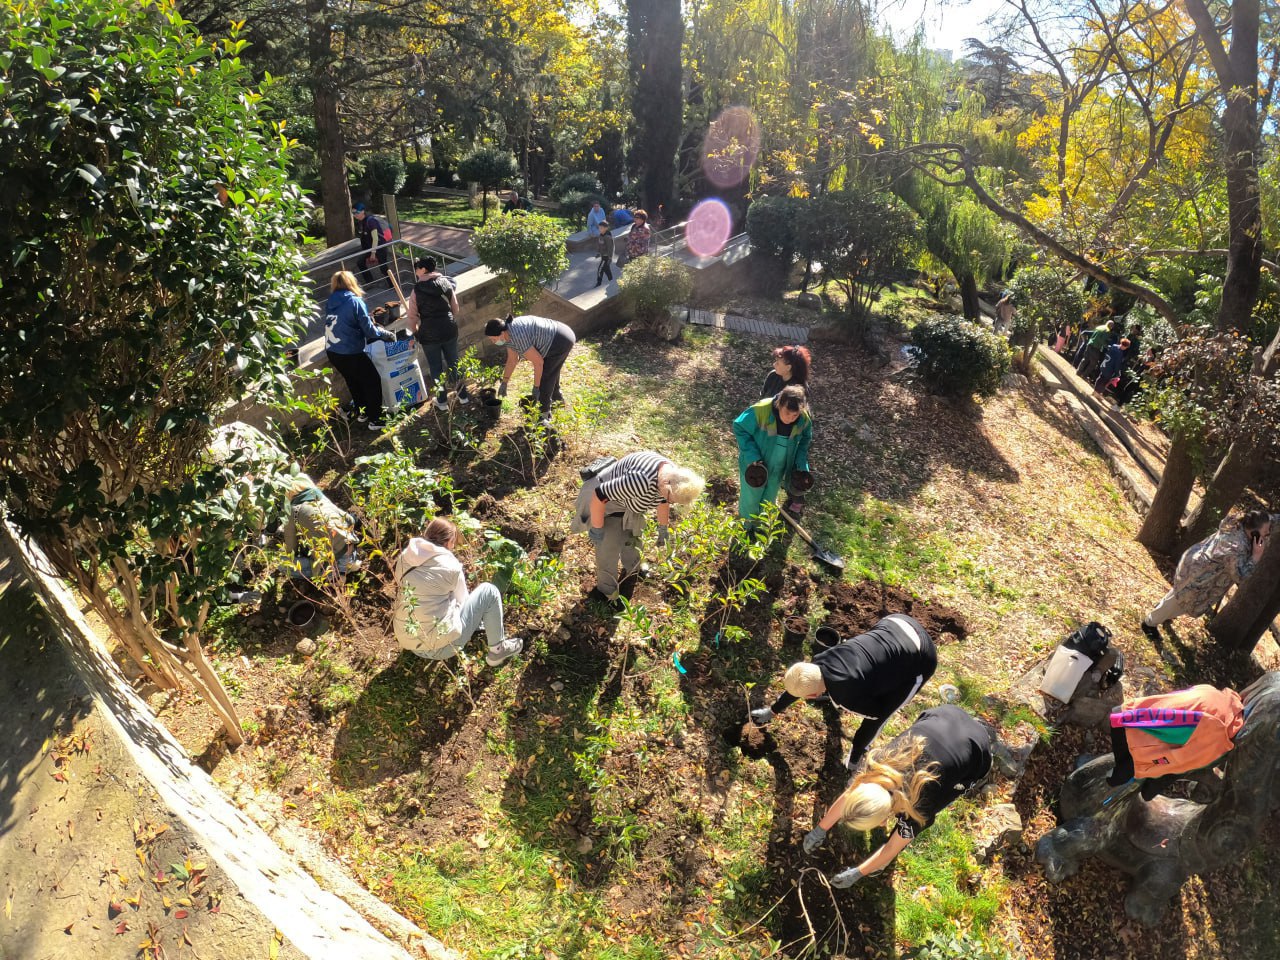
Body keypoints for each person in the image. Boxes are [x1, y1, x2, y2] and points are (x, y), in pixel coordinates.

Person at [801, 705, 993, 888]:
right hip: (943, 715)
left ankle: (882, 862)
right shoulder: (876, 765)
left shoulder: (920, 805)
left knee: (943, 796)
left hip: (976, 749)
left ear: (883, 819)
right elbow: (850, 795)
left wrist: (858, 872)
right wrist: (820, 829)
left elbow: (893, 846)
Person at [750, 614, 938, 768]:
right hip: (895, 622)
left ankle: (855, 759)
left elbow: (876, 716)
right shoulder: (819, 660)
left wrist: (855, 755)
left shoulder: (846, 697)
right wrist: (773, 710)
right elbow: (801, 682)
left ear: (813, 696)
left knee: (886, 708)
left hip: (922, 655)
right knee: (876, 673)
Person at [392, 518, 524, 665]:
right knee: (489, 591)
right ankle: (498, 651)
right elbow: (463, 601)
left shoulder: (404, 557)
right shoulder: (450, 565)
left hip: (408, 640)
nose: (453, 546)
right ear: (448, 542)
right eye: (453, 542)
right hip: (441, 648)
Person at [582, 451, 705, 603]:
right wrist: (597, 527)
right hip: (604, 503)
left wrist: (663, 528)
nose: (670, 503)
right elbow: (599, 495)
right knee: (607, 548)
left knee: (633, 540)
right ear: (666, 484)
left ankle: (632, 571)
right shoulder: (640, 482)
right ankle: (606, 593)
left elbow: (663, 501)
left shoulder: (671, 475)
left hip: (627, 502)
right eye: (671, 500)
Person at [1140, 510, 1274, 641]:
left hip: (1196, 565)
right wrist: (1255, 557)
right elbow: (1239, 575)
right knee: (1180, 602)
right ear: (1254, 532)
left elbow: (1270, 519)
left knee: (1178, 595)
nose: (1268, 533)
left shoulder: (1236, 524)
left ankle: (1162, 612)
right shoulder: (1235, 547)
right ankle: (1149, 623)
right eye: (1265, 531)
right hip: (1200, 579)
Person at [323, 270, 396, 429]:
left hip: (332, 350)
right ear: (352, 283)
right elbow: (369, 330)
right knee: (372, 381)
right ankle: (376, 420)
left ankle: (362, 412)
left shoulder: (330, 301)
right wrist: (384, 334)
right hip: (349, 351)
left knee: (353, 381)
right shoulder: (355, 301)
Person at [734, 385, 812, 522]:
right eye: (787, 413)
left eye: (795, 415)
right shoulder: (761, 410)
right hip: (755, 465)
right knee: (750, 499)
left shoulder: (803, 418)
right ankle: (746, 527)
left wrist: (801, 464)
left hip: (780, 466)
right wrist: (752, 456)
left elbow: (805, 440)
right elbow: (739, 427)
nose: (790, 419)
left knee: (769, 498)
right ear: (779, 403)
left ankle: (762, 528)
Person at [485, 315, 577, 422]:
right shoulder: (508, 333)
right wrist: (504, 382)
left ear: (501, 333)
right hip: (560, 333)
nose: (492, 342)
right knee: (552, 370)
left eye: (493, 339)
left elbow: (538, 363)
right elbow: (512, 360)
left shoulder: (518, 337)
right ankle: (558, 399)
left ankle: (544, 415)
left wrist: (536, 387)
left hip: (560, 340)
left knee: (545, 378)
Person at [406, 256, 467, 411]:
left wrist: (416, 332)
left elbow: (412, 317)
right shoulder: (446, 283)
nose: (415, 271)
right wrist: (447, 319)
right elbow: (455, 308)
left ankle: (442, 402)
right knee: (454, 362)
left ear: (423, 269)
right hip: (449, 329)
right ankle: (463, 396)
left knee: (435, 368)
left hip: (429, 334)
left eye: (417, 268)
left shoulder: (416, 290)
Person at [283, 473, 360, 578]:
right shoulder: (320, 497)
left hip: (330, 561)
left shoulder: (292, 510)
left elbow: (291, 548)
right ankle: (349, 564)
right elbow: (350, 519)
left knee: (283, 564)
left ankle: (335, 574)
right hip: (349, 546)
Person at [353, 203, 391, 288]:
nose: (354, 215)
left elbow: (375, 238)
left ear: (362, 211)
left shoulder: (371, 221)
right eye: (353, 213)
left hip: (379, 247)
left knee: (383, 268)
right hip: (370, 248)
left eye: (356, 212)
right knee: (360, 262)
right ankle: (370, 282)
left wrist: (373, 253)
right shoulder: (361, 222)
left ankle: (392, 285)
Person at [595, 221, 615, 287]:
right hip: (603, 255)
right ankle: (611, 280)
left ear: (606, 228)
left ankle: (599, 283)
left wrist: (610, 258)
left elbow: (610, 248)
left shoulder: (608, 237)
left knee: (600, 269)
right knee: (606, 269)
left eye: (601, 228)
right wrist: (598, 252)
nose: (599, 229)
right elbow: (599, 245)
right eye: (599, 228)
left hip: (606, 257)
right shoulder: (601, 235)